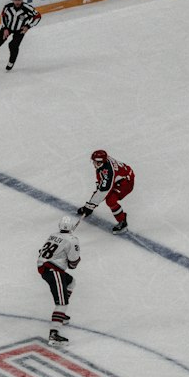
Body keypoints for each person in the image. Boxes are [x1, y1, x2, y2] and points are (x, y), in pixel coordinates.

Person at [37, 215, 81, 346]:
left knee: (71, 282)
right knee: (62, 303)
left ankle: (61, 315)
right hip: (53, 270)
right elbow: (73, 263)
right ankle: (54, 334)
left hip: (44, 267)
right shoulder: (72, 240)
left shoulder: (53, 235)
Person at [78, 148, 134, 231]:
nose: (94, 164)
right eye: (93, 161)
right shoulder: (104, 163)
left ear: (101, 162)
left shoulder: (108, 171)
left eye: (96, 162)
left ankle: (122, 221)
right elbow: (101, 187)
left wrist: (90, 206)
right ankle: (90, 206)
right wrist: (91, 205)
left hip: (126, 183)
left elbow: (104, 190)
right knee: (101, 188)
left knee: (110, 200)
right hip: (120, 177)